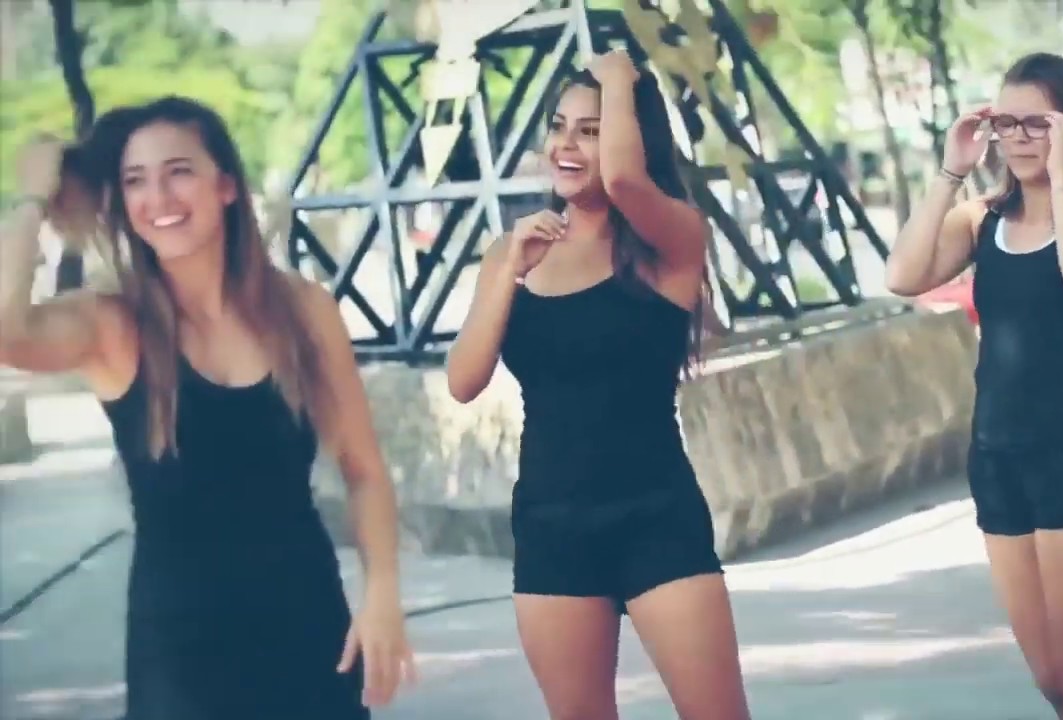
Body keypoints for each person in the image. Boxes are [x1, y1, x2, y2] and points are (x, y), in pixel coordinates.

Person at [0, 97, 416, 719]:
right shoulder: (115, 326)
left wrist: (382, 592)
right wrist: (31, 198)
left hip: (308, 624)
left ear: (225, 186)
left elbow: (363, 468)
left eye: (178, 172)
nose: (158, 197)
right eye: (135, 181)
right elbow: (6, 329)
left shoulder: (303, 311)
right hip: (182, 653)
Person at [446, 50, 751, 720]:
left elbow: (623, 180)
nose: (566, 145)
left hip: (656, 517)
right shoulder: (512, 250)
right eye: (559, 127)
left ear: (631, 136)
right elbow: (463, 381)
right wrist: (507, 270)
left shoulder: (672, 240)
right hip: (552, 526)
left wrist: (618, 76)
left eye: (591, 130)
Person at [886, 52, 1063, 720]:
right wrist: (951, 172)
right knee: (1051, 677)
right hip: (996, 460)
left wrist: (1062, 181)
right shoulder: (983, 220)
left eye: (1038, 124)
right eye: (1006, 123)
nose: (1019, 138)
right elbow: (903, 276)